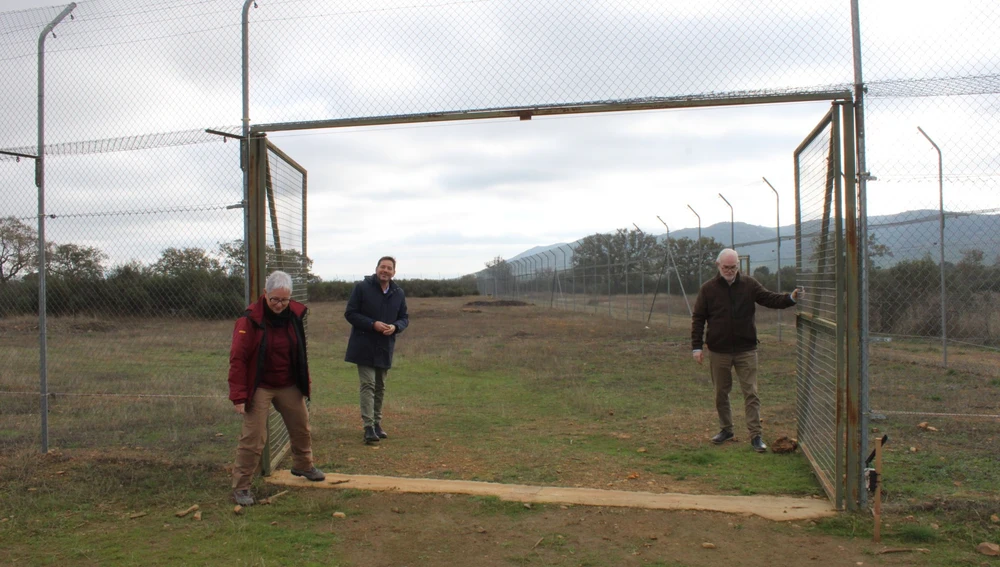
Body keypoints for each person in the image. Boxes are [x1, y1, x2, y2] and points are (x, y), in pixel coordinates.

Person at [228, 270, 325, 506]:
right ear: (265, 294)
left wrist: (304, 381)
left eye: (284, 299)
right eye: (275, 299)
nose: (280, 305)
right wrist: (239, 396)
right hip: (259, 385)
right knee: (254, 436)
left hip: (287, 382)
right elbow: (238, 359)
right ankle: (241, 487)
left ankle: (303, 466)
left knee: (301, 425)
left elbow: (300, 353)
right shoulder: (249, 320)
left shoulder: (295, 315)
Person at [690, 249, 801, 453]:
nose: (730, 271)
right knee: (721, 393)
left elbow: (769, 299)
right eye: (726, 267)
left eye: (733, 267)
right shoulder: (708, 289)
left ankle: (756, 436)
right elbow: (698, 318)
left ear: (738, 266)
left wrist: (790, 299)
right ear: (718, 266)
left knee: (751, 393)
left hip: (746, 349)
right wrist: (696, 347)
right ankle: (726, 430)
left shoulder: (749, 285)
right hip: (718, 351)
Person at [344, 256, 409, 444]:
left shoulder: (398, 292)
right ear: (376, 268)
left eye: (389, 268)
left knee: (380, 386)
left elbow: (404, 317)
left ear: (394, 272)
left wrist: (395, 327)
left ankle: (377, 424)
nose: (385, 270)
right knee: (368, 385)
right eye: (383, 267)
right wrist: (373, 324)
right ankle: (368, 427)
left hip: (384, 347)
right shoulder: (362, 287)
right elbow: (350, 313)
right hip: (363, 345)